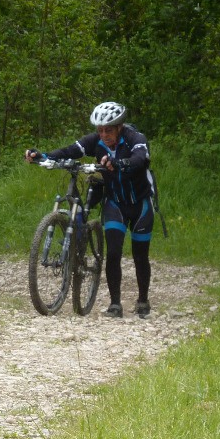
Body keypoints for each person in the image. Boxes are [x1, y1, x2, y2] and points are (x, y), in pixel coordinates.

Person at [25, 101, 154, 319]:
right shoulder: (96, 141)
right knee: (113, 253)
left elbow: (140, 159)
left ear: (120, 127)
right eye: (100, 130)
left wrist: (119, 163)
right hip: (115, 203)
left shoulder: (135, 139)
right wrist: (44, 156)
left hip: (140, 204)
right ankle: (115, 304)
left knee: (140, 256)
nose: (104, 135)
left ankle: (142, 299)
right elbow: (71, 151)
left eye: (109, 130)